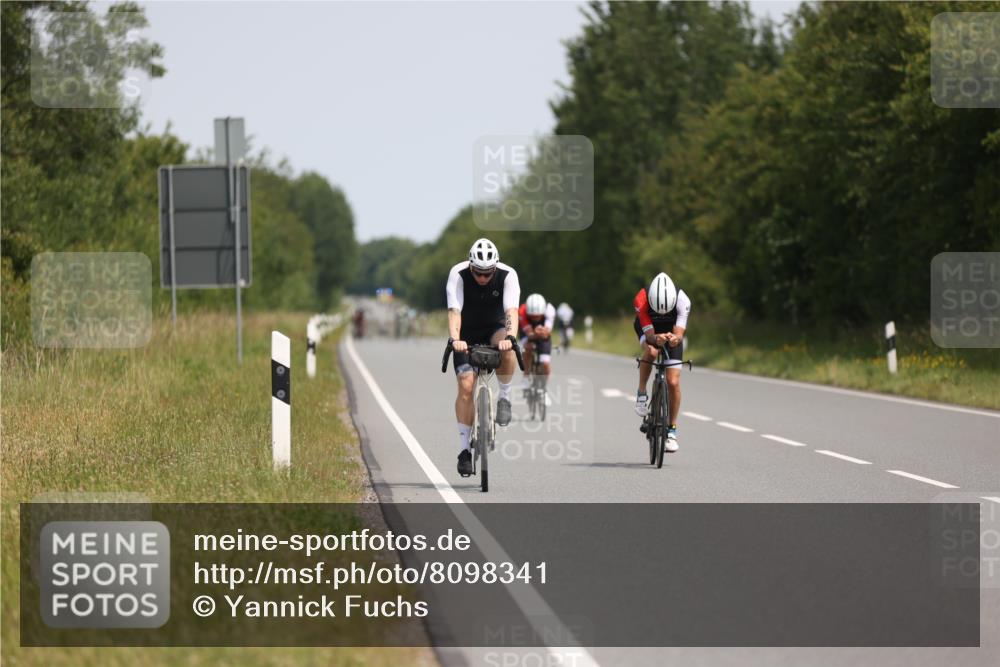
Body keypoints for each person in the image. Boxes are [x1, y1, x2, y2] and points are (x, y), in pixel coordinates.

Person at [445, 238, 521, 476]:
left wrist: (510, 336)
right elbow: (454, 311)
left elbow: (511, 311)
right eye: (478, 273)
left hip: (494, 328)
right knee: (466, 386)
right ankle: (465, 449)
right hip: (465, 333)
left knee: (507, 346)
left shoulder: (508, 275)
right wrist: (455, 339)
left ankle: (505, 398)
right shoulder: (458, 274)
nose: (482, 278)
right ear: (470, 266)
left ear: (495, 268)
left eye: (488, 274)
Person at [633, 272, 691, 453]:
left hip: (671, 329)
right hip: (649, 328)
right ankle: (642, 392)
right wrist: (655, 338)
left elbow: (679, 333)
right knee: (651, 350)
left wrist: (675, 339)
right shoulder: (641, 299)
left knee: (673, 381)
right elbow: (650, 336)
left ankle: (671, 431)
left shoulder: (683, 300)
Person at [519, 293, 555, 391]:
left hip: (543, 333)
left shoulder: (549, 309)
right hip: (526, 331)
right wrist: (534, 334)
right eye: (533, 316)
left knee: (546, 363)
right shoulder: (522, 311)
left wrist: (544, 332)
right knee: (528, 348)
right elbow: (529, 334)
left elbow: (547, 331)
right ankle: (526, 376)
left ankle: (544, 389)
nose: (535, 318)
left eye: (538, 316)